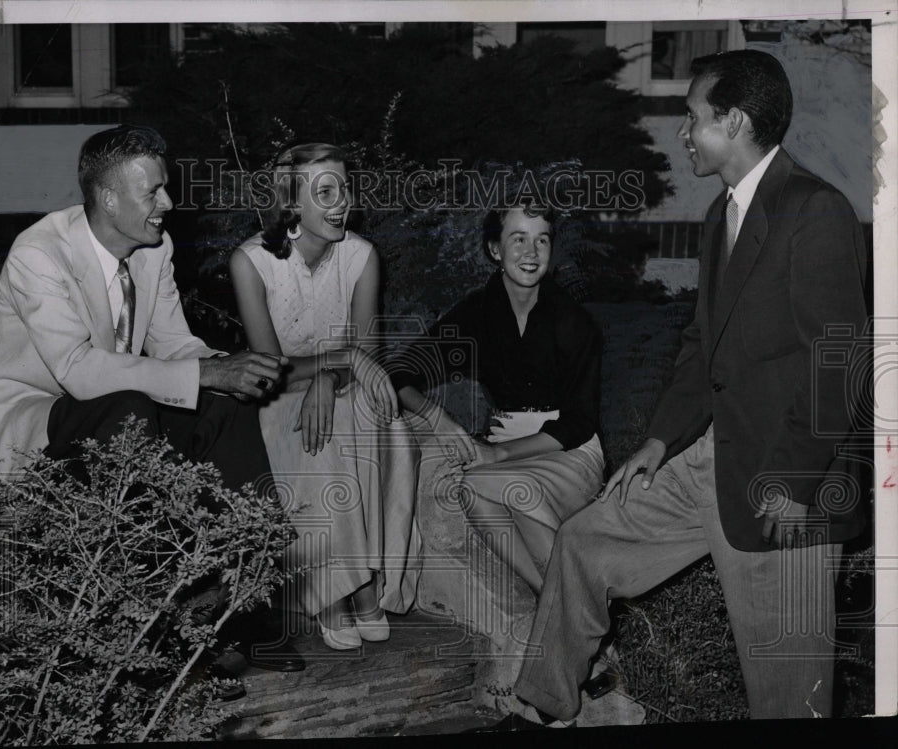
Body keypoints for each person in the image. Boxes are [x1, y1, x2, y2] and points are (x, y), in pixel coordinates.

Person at [487, 50, 868, 730]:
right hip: (711, 457)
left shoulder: (815, 209)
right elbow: (703, 352)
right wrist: (659, 440)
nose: (684, 134)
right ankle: (545, 703)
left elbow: (839, 358)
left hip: (785, 482)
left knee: (785, 703)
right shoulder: (721, 216)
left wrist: (792, 479)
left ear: (736, 120)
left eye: (693, 118)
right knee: (584, 541)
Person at [0, 124, 305, 673]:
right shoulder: (39, 254)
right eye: (153, 192)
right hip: (34, 415)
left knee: (223, 403)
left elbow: (174, 345)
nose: (168, 203)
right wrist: (205, 374)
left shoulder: (152, 249)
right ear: (107, 197)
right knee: (133, 408)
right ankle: (151, 633)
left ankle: (243, 611)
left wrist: (227, 368)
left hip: (115, 404)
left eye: (164, 188)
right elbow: (77, 371)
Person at [229, 142, 421, 650]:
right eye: (326, 192)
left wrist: (332, 373)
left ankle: (363, 581)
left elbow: (367, 357)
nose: (342, 202)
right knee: (319, 431)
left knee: (381, 416)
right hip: (273, 402)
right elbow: (268, 369)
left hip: (339, 389)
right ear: (292, 204)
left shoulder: (361, 256)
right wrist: (342, 360)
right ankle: (338, 593)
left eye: (344, 188)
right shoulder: (250, 263)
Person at [388, 203, 605, 593]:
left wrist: (499, 454)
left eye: (541, 240)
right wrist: (438, 418)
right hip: (505, 443)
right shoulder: (476, 314)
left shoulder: (575, 321)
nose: (531, 252)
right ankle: (564, 605)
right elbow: (401, 373)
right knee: (473, 491)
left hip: (568, 451)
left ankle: (574, 609)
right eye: (517, 239)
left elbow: (580, 421)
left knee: (512, 489)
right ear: (494, 249)